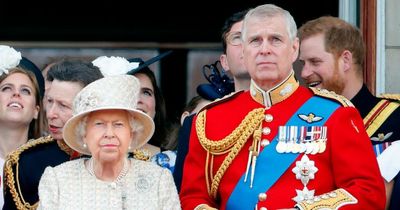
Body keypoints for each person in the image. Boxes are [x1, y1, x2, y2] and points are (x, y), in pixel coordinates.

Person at [179, 4, 385, 210]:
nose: (265, 49)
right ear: (243, 51)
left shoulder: (335, 113)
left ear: (294, 49)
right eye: (255, 41)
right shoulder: (209, 119)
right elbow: (192, 198)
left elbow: (367, 192)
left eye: (275, 40)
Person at [298, 16, 400, 210]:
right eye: (304, 63)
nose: (304, 72)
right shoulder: (302, 120)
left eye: (315, 61)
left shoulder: (395, 120)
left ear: (345, 60)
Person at [36, 74, 180, 209]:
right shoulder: (57, 180)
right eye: (99, 124)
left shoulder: (159, 180)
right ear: (84, 134)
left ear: (131, 134)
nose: (109, 134)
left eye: (118, 124)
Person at [2, 59, 103, 210]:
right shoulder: (25, 162)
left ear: (90, 110)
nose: (51, 114)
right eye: (49, 101)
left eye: (63, 105)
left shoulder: (126, 158)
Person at [173, 8, 251, 192]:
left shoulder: (304, 113)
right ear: (224, 62)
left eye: (254, 38)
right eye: (238, 38)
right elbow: (185, 196)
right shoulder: (197, 124)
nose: (248, 46)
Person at [0, 45, 45, 208]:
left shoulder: (50, 165)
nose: (16, 94)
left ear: (36, 110)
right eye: (6, 88)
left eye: (25, 91)